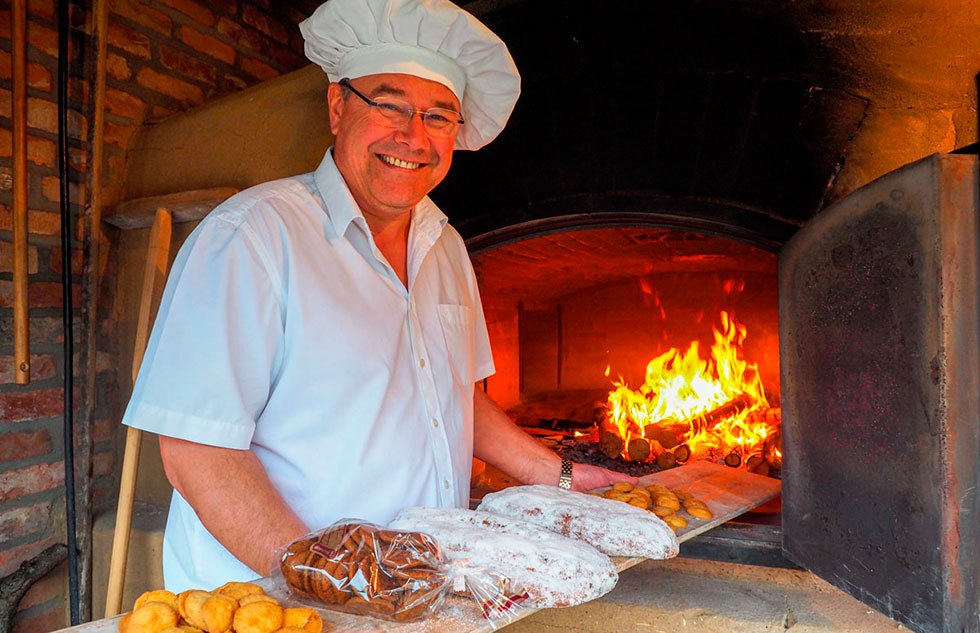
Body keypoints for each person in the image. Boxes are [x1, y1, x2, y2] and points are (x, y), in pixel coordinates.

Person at [121, 0, 634, 592]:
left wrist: (567, 478)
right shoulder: (252, 238)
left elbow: (454, 396)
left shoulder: (446, 248)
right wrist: (334, 579)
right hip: (285, 602)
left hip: (419, 589)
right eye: (389, 106)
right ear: (338, 108)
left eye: (439, 118)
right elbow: (196, 451)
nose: (413, 137)